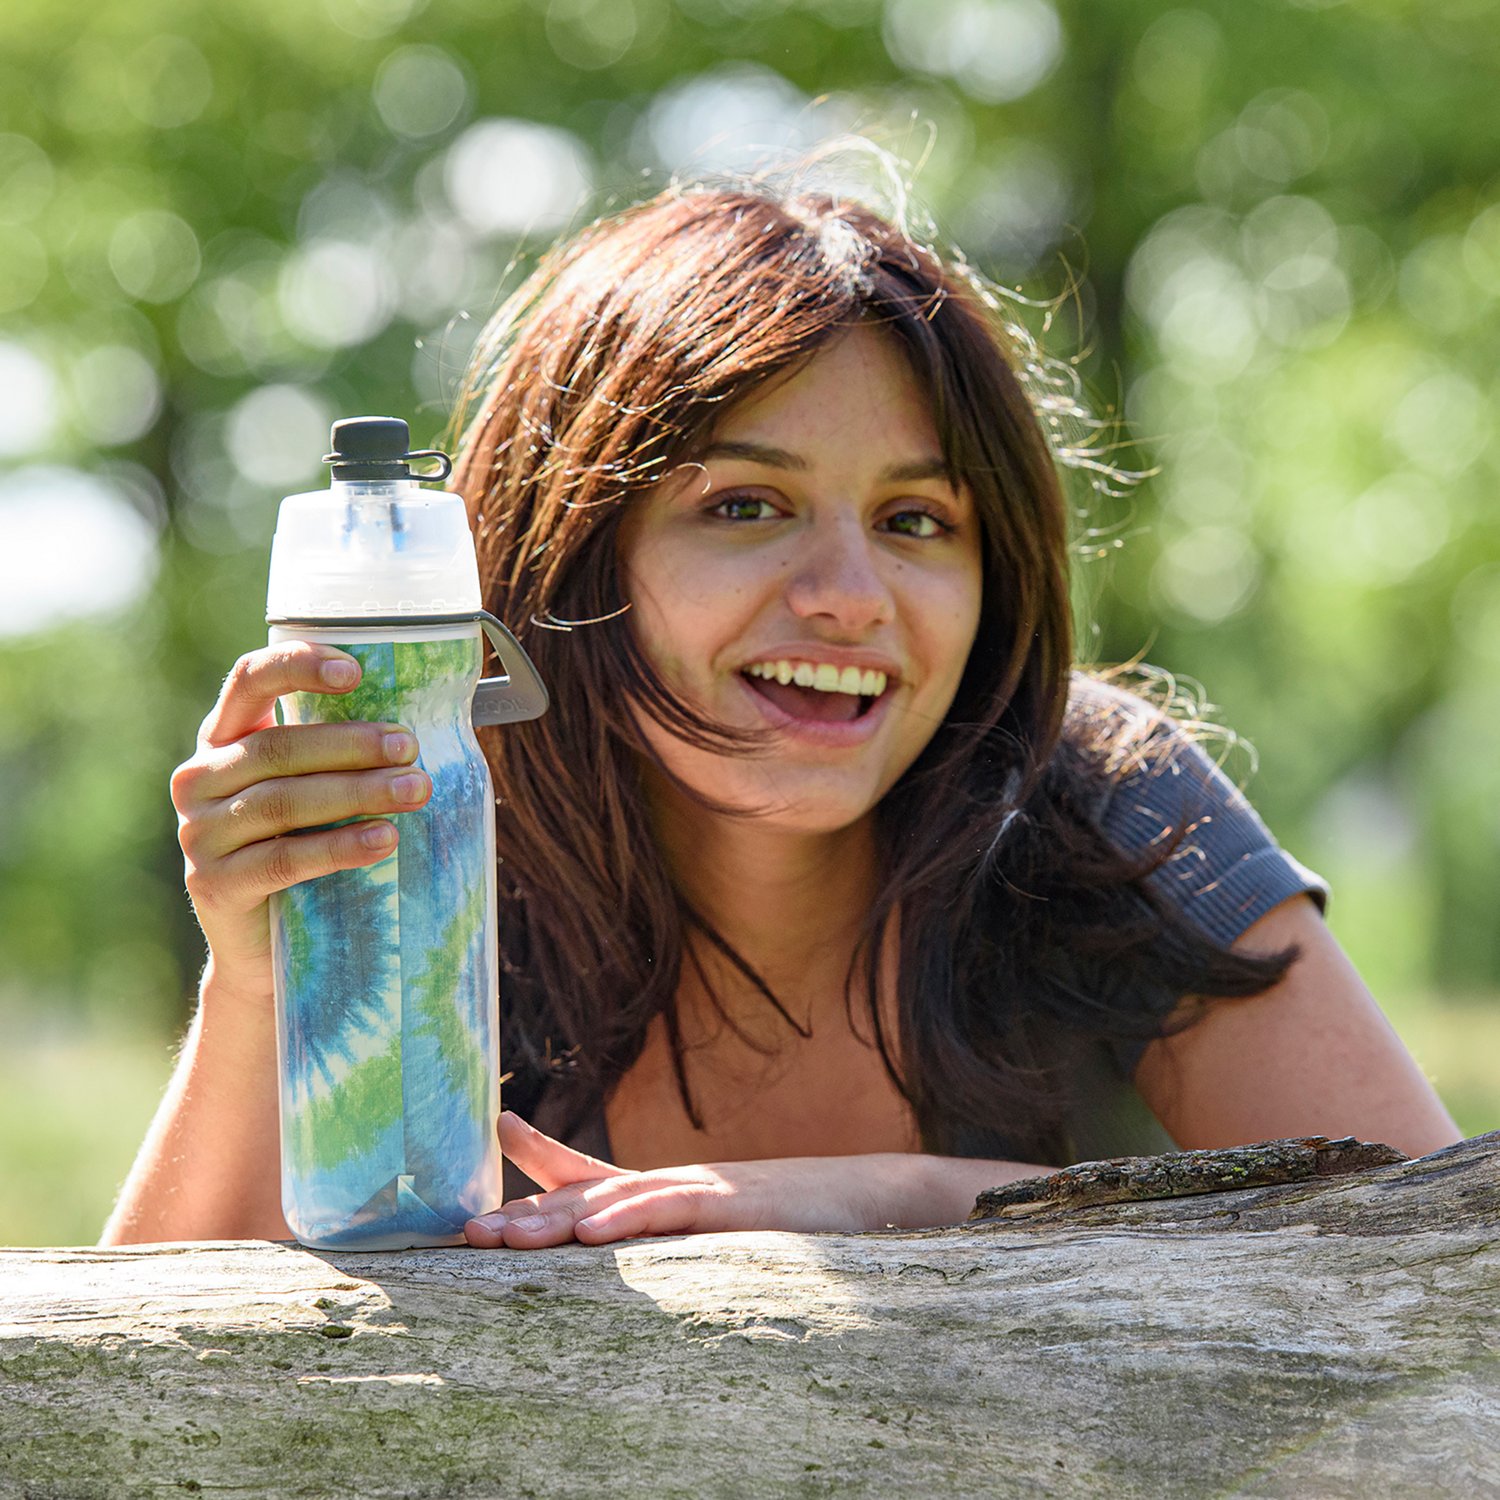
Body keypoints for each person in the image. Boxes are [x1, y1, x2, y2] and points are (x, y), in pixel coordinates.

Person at [101, 162, 1460, 1251]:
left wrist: (872, 1201)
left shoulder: (1110, 809)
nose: (851, 594)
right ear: (570, 552)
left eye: (917, 519)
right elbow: (139, 1393)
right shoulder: (433, 836)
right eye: (745, 507)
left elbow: (1445, 1263)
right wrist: (261, 975)